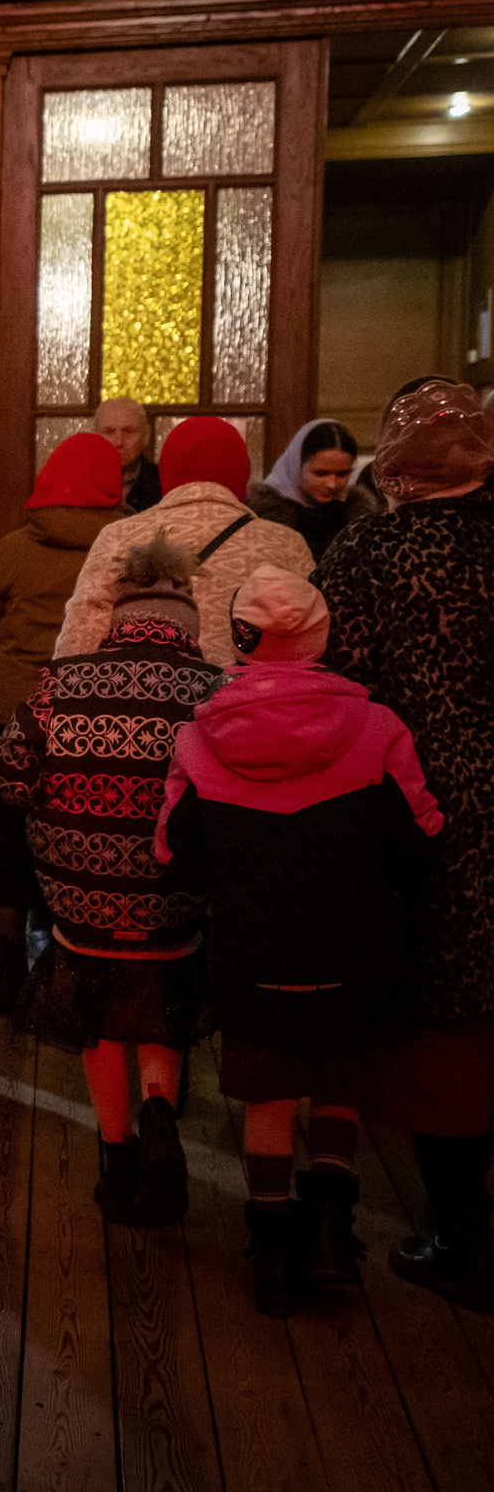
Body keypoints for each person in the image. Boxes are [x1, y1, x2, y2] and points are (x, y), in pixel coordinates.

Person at [157, 565, 440, 1315]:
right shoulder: (379, 725)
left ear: (240, 637)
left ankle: (274, 1249)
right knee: (337, 1086)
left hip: (252, 952)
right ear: (322, 635)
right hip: (354, 946)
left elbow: (174, 857)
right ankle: (330, 1237)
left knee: (269, 1097)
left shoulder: (199, 733)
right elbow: (421, 842)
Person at [313, 378, 494, 1309]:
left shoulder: (372, 548)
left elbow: (336, 678)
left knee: (446, 1028)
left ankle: (460, 1237)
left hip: (425, 812)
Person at [0, 537, 221, 1226]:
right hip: (173, 892)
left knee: (100, 1016)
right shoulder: (215, 690)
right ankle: (160, 1106)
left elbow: (12, 776)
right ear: (188, 622)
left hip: (82, 892)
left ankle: (118, 1160)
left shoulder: (63, 681)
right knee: (158, 998)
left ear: (116, 616)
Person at [0, 431, 125, 1013]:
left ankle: (8, 975)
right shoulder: (126, 543)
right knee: (86, 841)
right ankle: (71, 973)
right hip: (91, 711)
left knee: (9, 841)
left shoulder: (16, 545)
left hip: (11, 706)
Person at [55, 415, 311, 668]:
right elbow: (311, 640)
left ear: (168, 468)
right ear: (241, 470)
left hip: (150, 696)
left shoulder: (118, 536)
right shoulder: (287, 543)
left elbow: (81, 638)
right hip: (249, 702)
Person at [249, 418, 370, 560]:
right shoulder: (262, 515)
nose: (332, 484)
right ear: (297, 466)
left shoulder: (359, 517)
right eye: (321, 473)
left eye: (342, 474)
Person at [92, 397, 162, 511]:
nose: (119, 442)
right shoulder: (79, 485)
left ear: (146, 436)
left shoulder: (164, 484)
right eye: (109, 432)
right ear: (94, 437)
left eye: (128, 431)